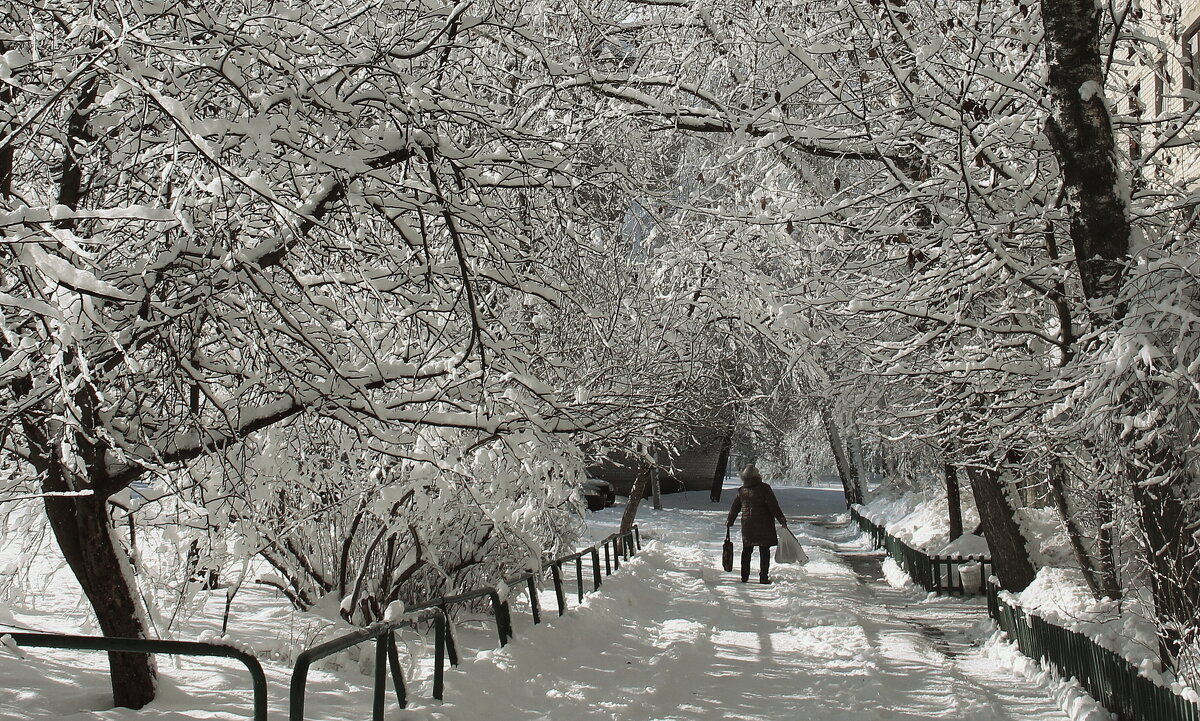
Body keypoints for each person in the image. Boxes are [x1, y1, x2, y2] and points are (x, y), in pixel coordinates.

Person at [725, 464, 788, 584]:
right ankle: (763, 577)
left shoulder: (742, 491)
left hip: (748, 526)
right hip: (764, 525)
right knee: (764, 551)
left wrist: (730, 521)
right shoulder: (765, 489)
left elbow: (735, 508)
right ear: (756, 475)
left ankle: (744, 576)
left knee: (747, 550)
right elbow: (773, 506)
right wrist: (782, 520)